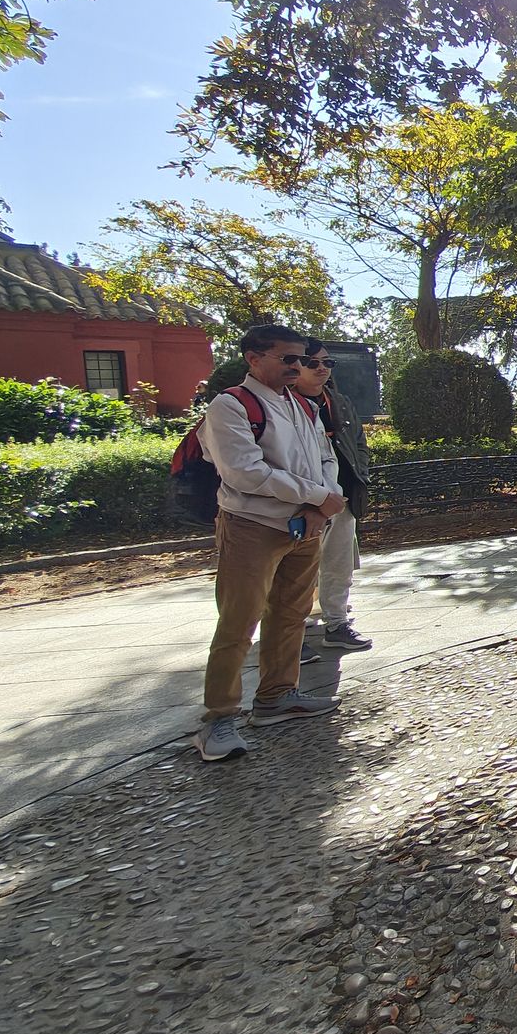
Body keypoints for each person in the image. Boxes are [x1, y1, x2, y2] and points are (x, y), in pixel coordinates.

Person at [193, 324, 345, 762]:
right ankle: (219, 717)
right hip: (252, 525)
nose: (298, 366)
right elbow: (244, 471)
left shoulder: (302, 405)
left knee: (292, 613)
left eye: (302, 358)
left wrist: (321, 506)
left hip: (305, 525)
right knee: (239, 621)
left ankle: (278, 695)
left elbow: (324, 459)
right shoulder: (231, 406)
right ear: (254, 358)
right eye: (288, 358)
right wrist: (318, 497)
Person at [294, 338, 373, 653]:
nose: (322, 369)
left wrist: (359, 477)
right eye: (313, 363)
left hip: (341, 500)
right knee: (295, 570)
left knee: (338, 564)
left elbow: (359, 445)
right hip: (300, 501)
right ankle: (290, 635)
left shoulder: (338, 403)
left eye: (328, 363)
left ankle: (337, 623)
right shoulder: (283, 405)